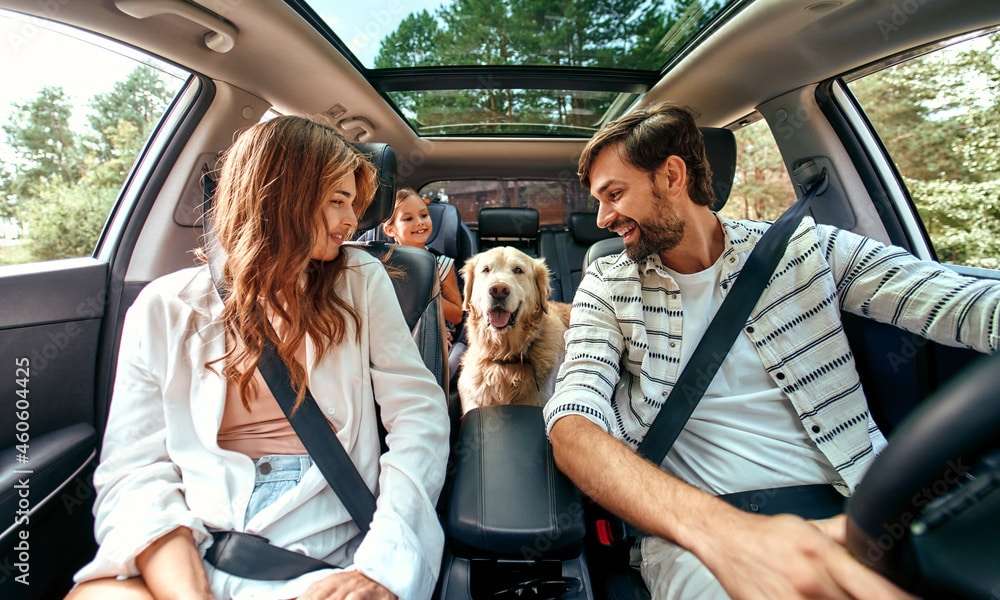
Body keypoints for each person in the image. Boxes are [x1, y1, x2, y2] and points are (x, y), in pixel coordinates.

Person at [543, 102, 999, 599]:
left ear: (671, 175)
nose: (603, 218)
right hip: (700, 534)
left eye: (614, 195)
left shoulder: (804, 248)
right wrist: (731, 537)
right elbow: (573, 424)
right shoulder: (607, 284)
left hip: (863, 512)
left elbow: (961, 303)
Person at [67, 116, 450, 600]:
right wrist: (188, 590)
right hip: (194, 541)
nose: (352, 222)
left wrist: (382, 566)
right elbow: (135, 470)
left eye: (353, 204)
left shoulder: (361, 280)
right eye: (337, 201)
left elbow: (419, 416)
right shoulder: (164, 307)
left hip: (322, 553)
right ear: (278, 196)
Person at [382, 188, 464, 339]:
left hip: (433, 335)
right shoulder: (381, 264)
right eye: (408, 219)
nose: (420, 222)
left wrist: (423, 294)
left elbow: (457, 315)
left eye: (424, 215)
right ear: (390, 230)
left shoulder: (441, 264)